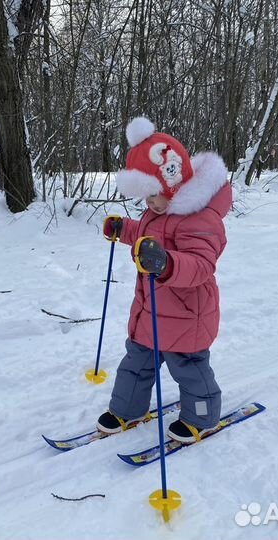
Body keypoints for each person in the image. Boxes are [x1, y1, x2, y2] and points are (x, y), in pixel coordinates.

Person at [97, 117, 232, 443]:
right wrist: (124, 229)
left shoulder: (201, 219)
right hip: (150, 313)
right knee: (135, 364)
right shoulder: (157, 211)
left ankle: (203, 417)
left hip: (187, 317)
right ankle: (127, 409)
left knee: (190, 370)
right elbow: (148, 237)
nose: (149, 204)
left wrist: (167, 263)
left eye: (153, 195)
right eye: (145, 198)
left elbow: (200, 265)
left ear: (172, 184)